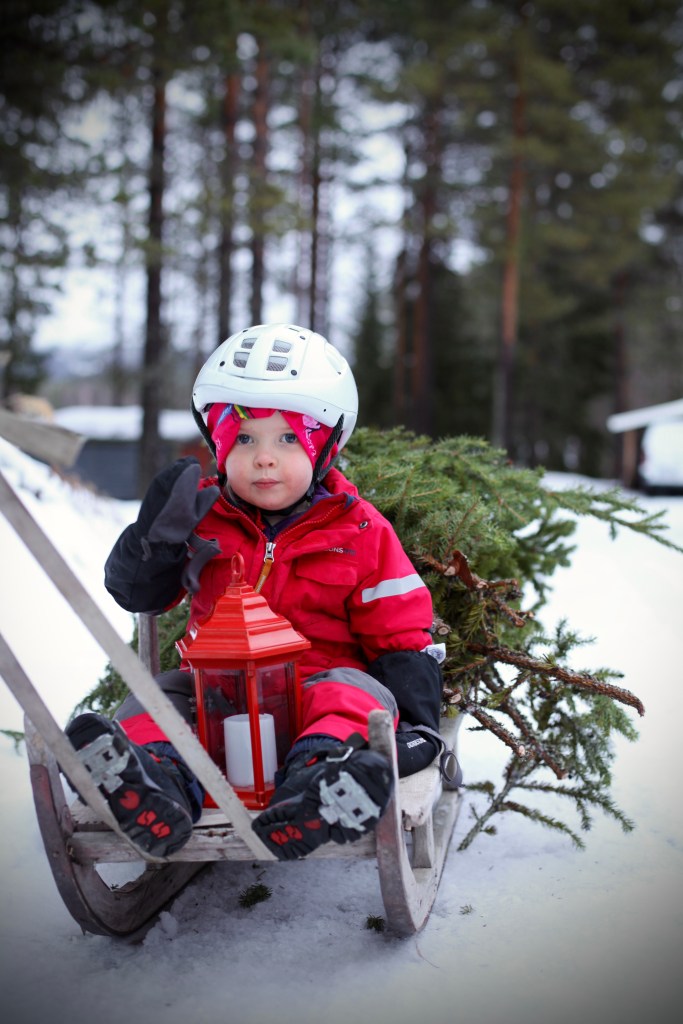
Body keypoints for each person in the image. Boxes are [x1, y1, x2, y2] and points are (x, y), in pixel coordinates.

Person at [66, 323, 456, 861]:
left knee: (353, 693)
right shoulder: (200, 517)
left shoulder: (358, 530)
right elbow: (142, 597)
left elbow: (398, 627)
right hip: (217, 694)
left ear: (325, 447)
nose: (264, 458)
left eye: (288, 439)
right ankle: (153, 784)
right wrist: (152, 542)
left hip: (316, 686)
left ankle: (319, 787)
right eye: (245, 439)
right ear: (219, 446)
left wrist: (417, 724)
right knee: (160, 697)